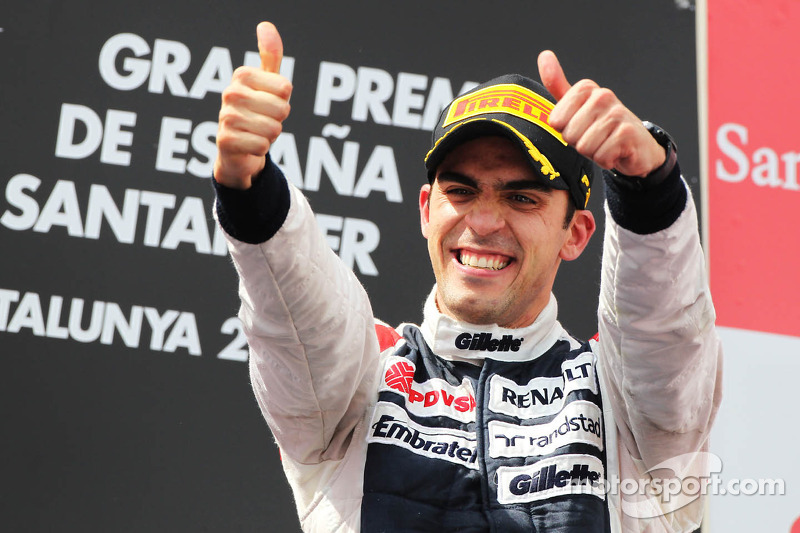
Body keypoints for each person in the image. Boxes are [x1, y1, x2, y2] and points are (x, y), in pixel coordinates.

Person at [212, 21, 722, 533]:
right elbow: (298, 323)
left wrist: (647, 188)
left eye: (520, 197)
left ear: (577, 233)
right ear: (425, 210)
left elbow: (664, 339)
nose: (482, 222)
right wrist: (249, 189)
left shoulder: (627, 411)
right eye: (460, 191)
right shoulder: (358, 387)